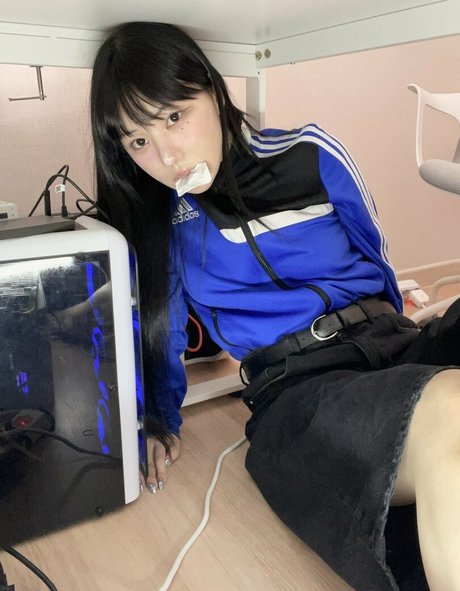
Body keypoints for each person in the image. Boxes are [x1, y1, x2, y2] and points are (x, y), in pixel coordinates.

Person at [90, 21, 460, 591]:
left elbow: (376, 258)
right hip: (298, 388)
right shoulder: (164, 221)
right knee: (448, 409)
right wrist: (156, 418)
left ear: (214, 90)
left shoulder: (310, 155)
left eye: (174, 116)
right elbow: (162, 330)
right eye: (137, 141)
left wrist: (401, 339)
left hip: (390, 342)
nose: (165, 154)